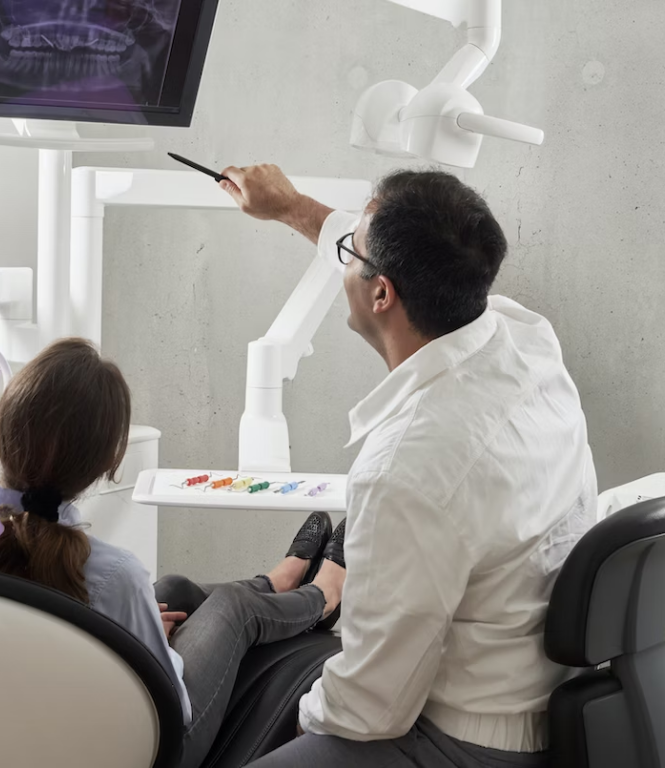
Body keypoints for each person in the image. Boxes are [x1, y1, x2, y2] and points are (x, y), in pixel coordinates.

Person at [216, 166, 597, 767]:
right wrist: (289, 206)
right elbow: (384, 246)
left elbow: (369, 709)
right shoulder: (525, 337)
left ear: (382, 294)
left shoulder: (408, 467)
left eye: (352, 251)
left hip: (458, 741)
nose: (345, 251)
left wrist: (295, 721)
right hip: (532, 693)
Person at [0, 337, 348, 768]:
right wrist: (153, 652)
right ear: (105, 466)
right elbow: (173, 704)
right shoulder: (114, 575)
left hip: (34, 735)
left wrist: (137, 634)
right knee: (232, 607)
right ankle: (323, 597)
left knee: (172, 589)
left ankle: (276, 583)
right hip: (148, 751)